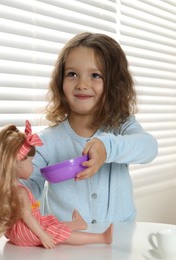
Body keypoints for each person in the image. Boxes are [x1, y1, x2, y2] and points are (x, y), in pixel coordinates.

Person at [22, 32, 158, 224]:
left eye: (95, 75)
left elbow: (149, 147)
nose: (82, 84)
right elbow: (28, 186)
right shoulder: (46, 142)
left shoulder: (121, 127)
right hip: (66, 248)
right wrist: (2, 181)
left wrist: (106, 148)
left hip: (118, 244)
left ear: (114, 84)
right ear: (60, 82)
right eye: (72, 74)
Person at [0, 121, 113, 249]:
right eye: (30, 162)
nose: (33, 167)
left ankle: (78, 225)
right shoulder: (20, 192)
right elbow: (27, 216)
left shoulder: (10, 187)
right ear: (17, 164)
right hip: (25, 234)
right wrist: (43, 236)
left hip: (16, 232)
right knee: (58, 234)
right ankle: (101, 238)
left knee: (50, 223)